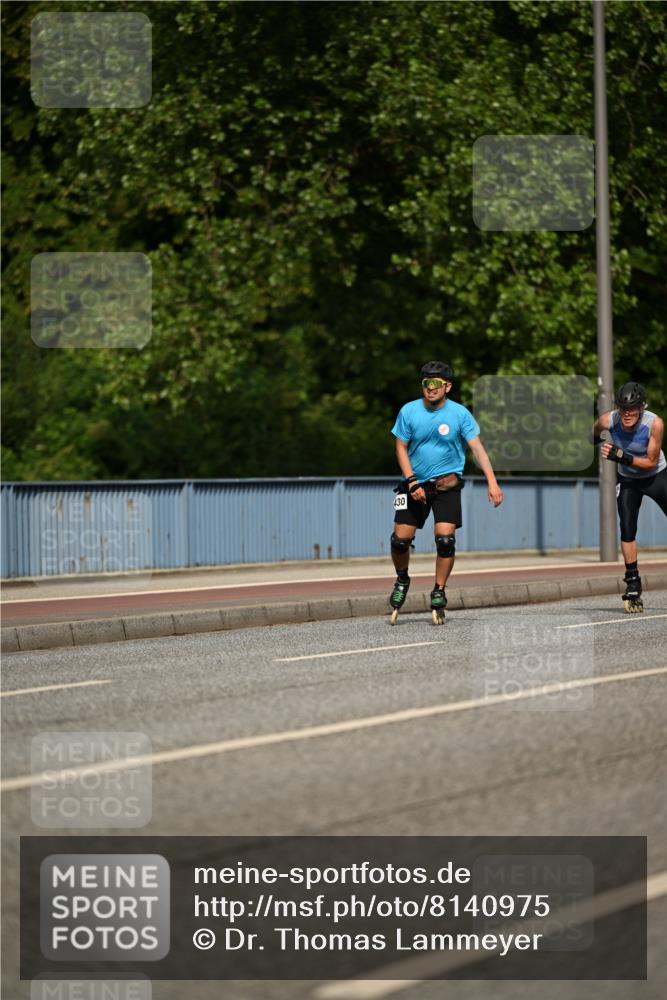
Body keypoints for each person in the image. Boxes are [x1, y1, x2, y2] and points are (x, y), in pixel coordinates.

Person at [388, 361, 504, 623]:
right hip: (412, 483)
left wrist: (492, 482)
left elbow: (477, 449)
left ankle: (439, 590)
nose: (430, 388)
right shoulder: (409, 411)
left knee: (445, 540)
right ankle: (402, 579)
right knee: (400, 540)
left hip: (447, 485)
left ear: (447, 387)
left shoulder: (460, 414)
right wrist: (413, 482)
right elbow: (400, 448)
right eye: (426, 383)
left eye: (436, 383)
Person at [592, 381, 667, 612]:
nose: (627, 414)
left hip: (656, 475)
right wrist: (594, 441)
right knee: (626, 527)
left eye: (632, 410)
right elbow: (595, 430)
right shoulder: (608, 420)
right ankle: (633, 582)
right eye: (623, 409)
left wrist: (622, 457)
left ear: (641, 408)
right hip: (628, 481)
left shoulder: (654, 423)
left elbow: (650, 462)